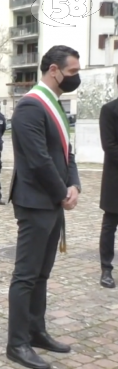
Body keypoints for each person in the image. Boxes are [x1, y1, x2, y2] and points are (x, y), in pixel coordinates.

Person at [6, 45, 82, 369]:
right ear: (54, 70)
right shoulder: (30, 107)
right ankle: (17, 343)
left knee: (42, 274)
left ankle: (36, 331)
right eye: (73, 72)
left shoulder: (55, 105)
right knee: (25, 276)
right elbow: (37, 160)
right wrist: (61, 192)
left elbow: (67, 152)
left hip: (52, 201)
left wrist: (75, 184)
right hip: (36, 202)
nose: (76, 78)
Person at [98, 76, 118, 288]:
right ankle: (106, 268)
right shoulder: (110, 110)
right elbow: (109, 145)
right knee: (110, 224)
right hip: (116, 179)